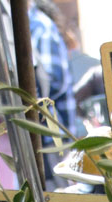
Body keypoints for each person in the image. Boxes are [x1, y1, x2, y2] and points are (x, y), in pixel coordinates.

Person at [30, 0, 79, 138]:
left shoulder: (40, 26)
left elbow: (54, 81)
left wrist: (25, 98)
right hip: (46, 133)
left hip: (54, 135)